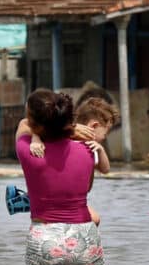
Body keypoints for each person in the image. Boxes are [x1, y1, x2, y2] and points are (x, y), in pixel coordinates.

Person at [16, 89, 120, 265]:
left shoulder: (28, 151)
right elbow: (85, 189)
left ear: (38, 124)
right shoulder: (87, 152)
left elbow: (22, 127)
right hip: (83, 238)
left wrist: (48, 130)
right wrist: (74, 130)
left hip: (44, 239)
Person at [27, 96, 119, 225]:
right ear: (94, 125)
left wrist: (101, 150)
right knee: (94, 218)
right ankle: (30, 199)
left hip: (73, 197)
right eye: (105, 132)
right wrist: (35, 139)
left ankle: (29, 199)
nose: (105, 137)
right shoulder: (66, 140)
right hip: (57, 194)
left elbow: (105, 169)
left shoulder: (92, 147)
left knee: (95, 219)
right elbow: (38, 129)